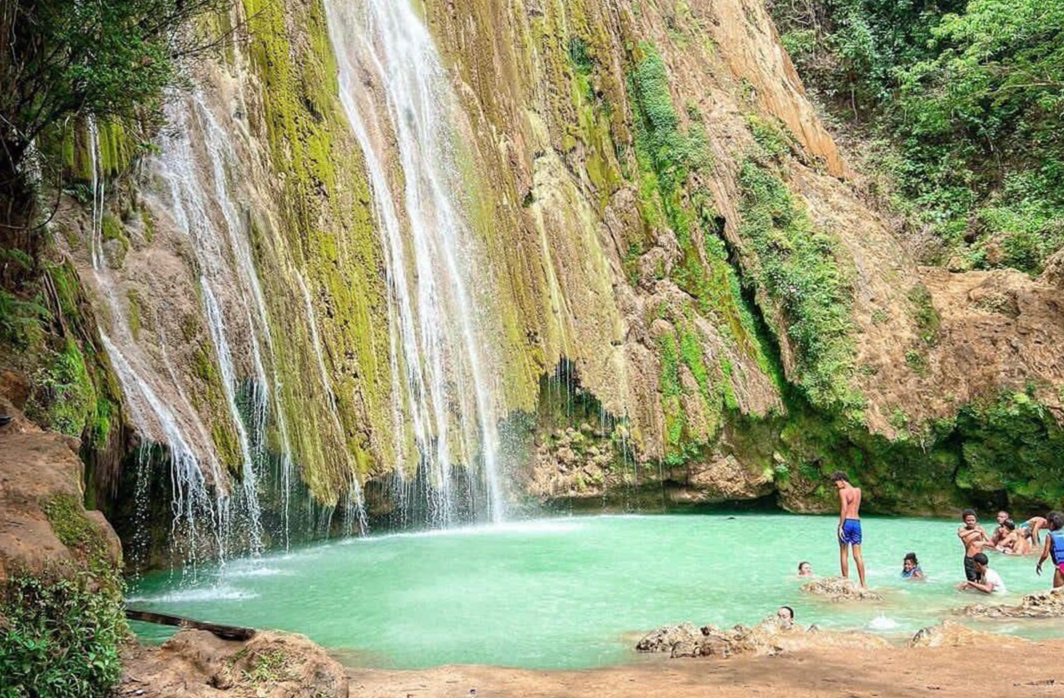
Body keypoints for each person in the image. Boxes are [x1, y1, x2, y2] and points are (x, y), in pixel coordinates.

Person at [831, 471, 866, 587]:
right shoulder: (858, 491)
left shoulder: (843, 492)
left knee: (844, 553)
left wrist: (841, 525)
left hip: (847, 522)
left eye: (836, 484)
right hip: (857, 522)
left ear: (841, 480)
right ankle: (863, 584)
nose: (836, 487)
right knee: (858, 555)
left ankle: (846, 581)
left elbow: (844, 509)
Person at [958, 509, 990, 582]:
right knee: (972, 580)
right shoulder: (962, 529)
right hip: (970, 558)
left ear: (976, 520)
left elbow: (989, 541)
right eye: (968, 520)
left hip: (980, 558)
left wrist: (983, 543)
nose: (971, 522)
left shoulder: (980, 528)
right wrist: (974, 531)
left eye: (973, 520)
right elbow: (960, 535)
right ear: (964, 521)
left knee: (983, 579)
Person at [1036, 511, 1064, 589]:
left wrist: (1039, 563)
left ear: (1051, 524)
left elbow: (1045, 555)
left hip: (1061, 567)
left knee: (1057, 592)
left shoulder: (1050, 536)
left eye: (1047, 522)